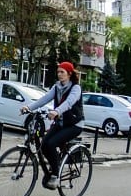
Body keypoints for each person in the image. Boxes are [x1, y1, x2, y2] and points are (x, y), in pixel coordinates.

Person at [21, 61, 84, 189]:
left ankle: (55, 175)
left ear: (69, 74)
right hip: (61, 123)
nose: (59, 75)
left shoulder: (75, 88)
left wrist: (57, 111)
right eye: (58, 72)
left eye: (62, 72)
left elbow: (69, 102)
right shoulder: (56, 87)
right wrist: (29, 107)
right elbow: (44, 99)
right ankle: (55, 164)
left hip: (74, 124)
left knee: (51, 144)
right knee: (44, 144)